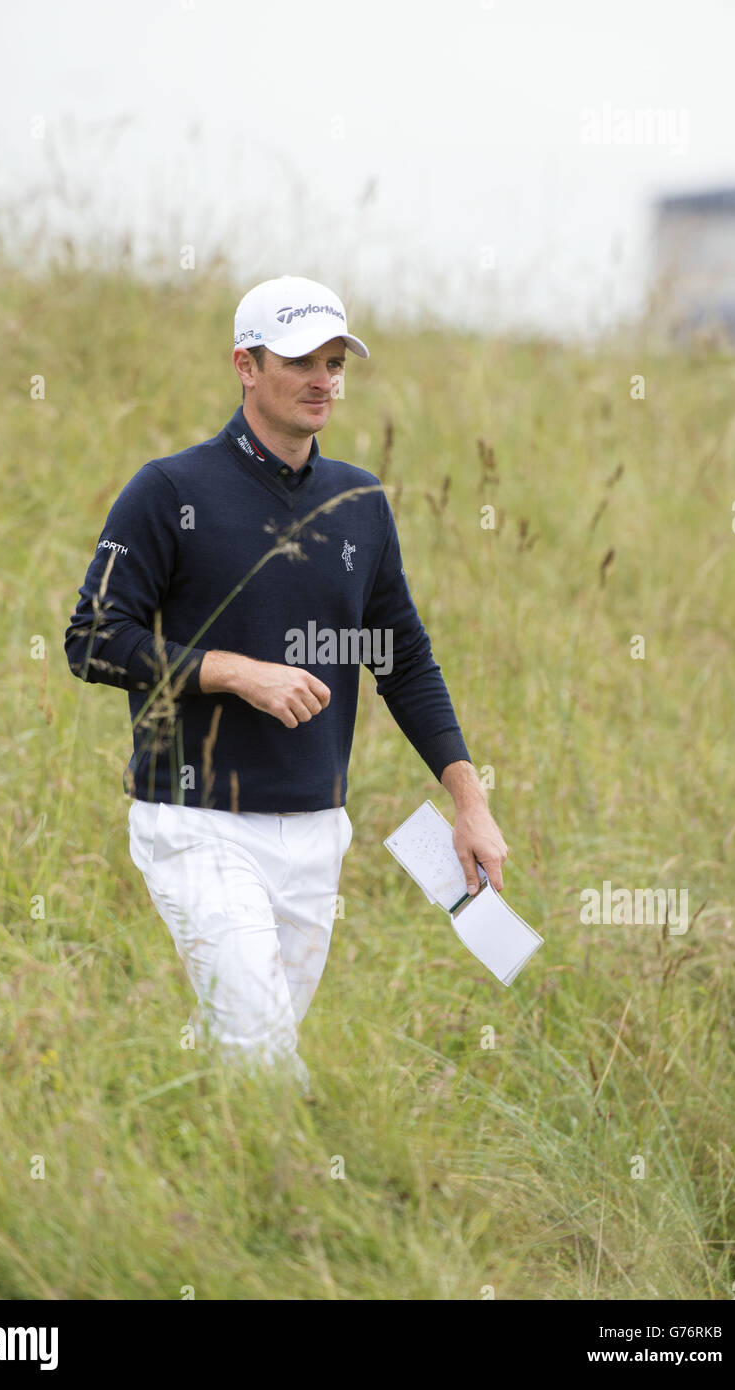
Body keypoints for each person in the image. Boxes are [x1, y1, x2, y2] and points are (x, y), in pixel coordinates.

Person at [64, 274, 509, 1095]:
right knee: (265, 1056)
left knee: (234, 1056)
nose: (323, 380)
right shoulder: (169, 491)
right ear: (245, 363)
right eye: (301, 359)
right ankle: (321, 1195)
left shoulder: (360, 502)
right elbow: (92, 638)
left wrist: (467, 802)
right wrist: (233, 672)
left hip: (315, 831)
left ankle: (178, 1171)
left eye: (336, 362)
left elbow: (401, 657)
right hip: (196, 821)